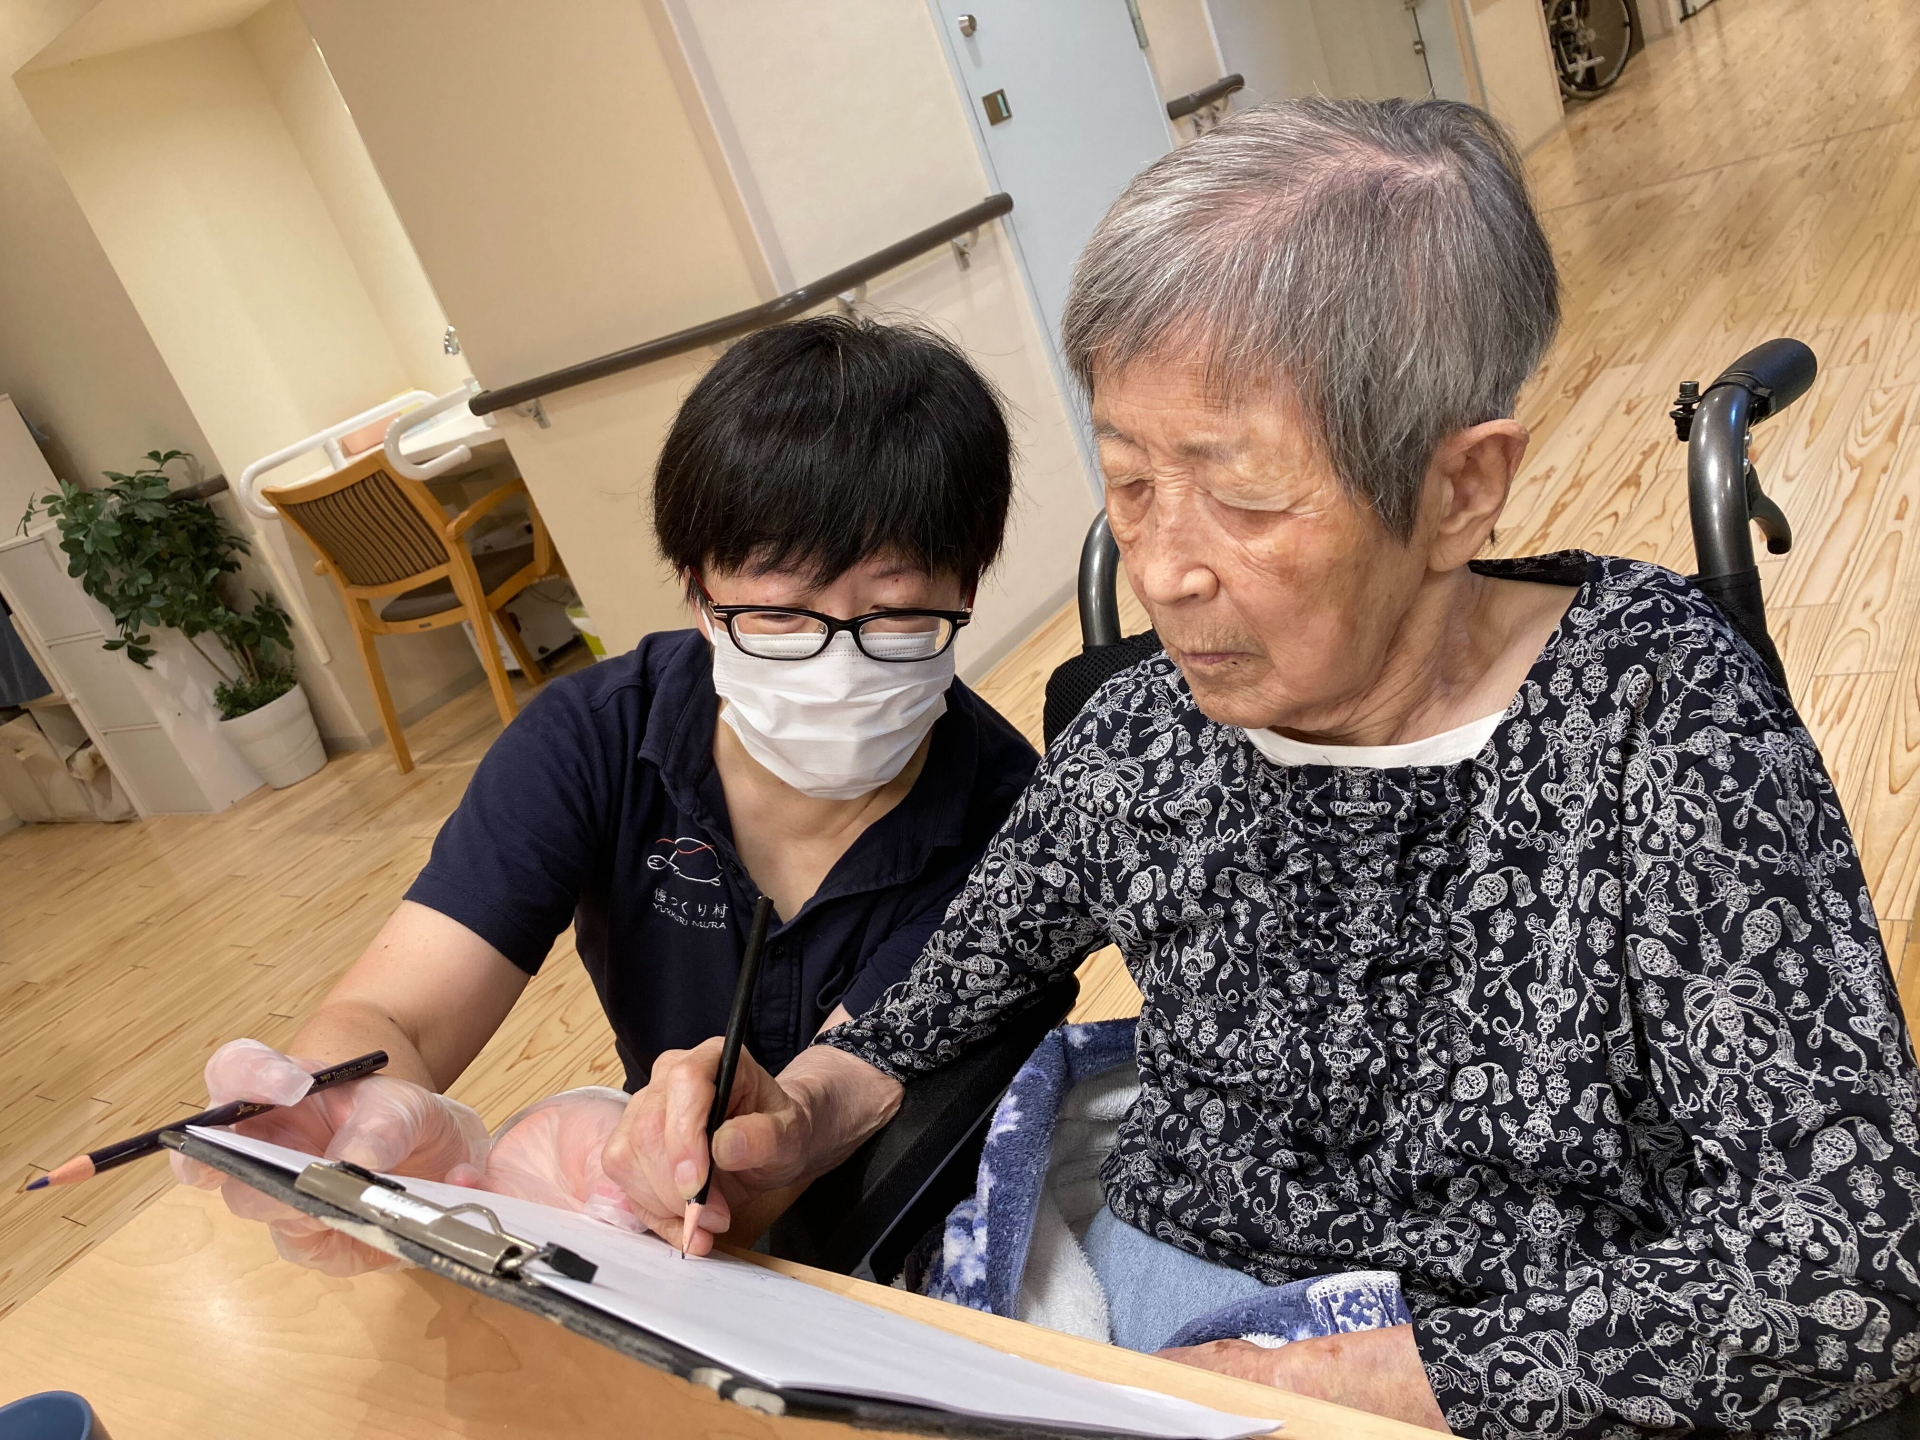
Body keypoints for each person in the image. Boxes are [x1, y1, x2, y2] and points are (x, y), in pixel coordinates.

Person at [606, 100, 1920, 1436]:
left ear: (1460, 490)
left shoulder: (1658, 713)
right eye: (1129, 484)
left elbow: (1862, 1266)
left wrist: (1324, 1387)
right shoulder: (1146, 733)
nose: (1165, 572)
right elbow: (926, 1016)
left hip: (1480, 1365)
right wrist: (792, 1116)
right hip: (1156, 1324)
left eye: (1239, 497)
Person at [175, 315, 1039, 1270]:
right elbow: (400, 1013)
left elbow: (817, 1115)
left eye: (895, 611)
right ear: (697, 592)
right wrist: (338, 1109)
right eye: (778, 612)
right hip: (654, 1205)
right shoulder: (597, 738)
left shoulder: (1018, 822)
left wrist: (707, 1161)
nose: (835, 663)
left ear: (967, 588)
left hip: (927, 1222)